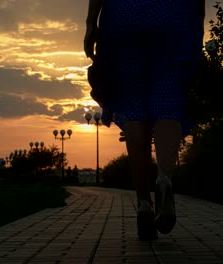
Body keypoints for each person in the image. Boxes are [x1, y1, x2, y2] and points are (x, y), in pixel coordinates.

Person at [84, 0, 205, 240]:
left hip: (124, 17)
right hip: (174, 15)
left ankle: (143, 203)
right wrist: (197, 25)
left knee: (134, 110)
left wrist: (91, 24)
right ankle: (164, 179)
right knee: (168, 105)